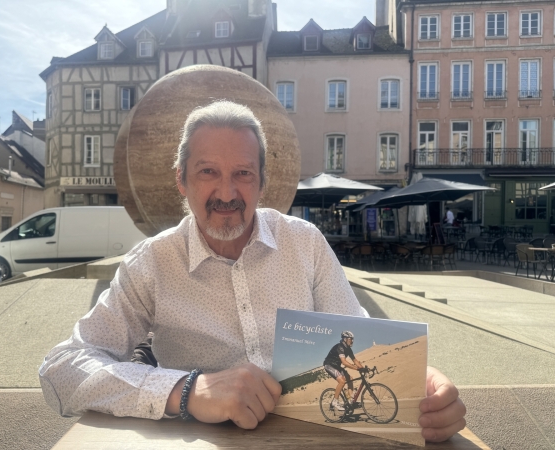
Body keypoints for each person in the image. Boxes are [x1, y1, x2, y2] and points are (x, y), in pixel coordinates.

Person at [39, 100, 465, 441]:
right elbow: (62, 369)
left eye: (242, 173)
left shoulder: (305, 243)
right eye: (208, 172)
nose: (227, 192)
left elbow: (358, 336)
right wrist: (187, 392)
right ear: (181, 181)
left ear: (261, 182)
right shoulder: (151, 263)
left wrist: (421, 383)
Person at [323, 331, 364, 411]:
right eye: (350, 339)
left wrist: (362, 368)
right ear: (345, 339)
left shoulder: (349, 349)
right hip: (329, 365)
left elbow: (355, 360)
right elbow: (344, 362)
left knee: (350, 378)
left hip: (337, 366)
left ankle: (350, 401)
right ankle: (335, 401)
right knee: (342, 381)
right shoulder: (340, 347)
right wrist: (355, 368)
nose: (352, 341)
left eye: (352, 339)